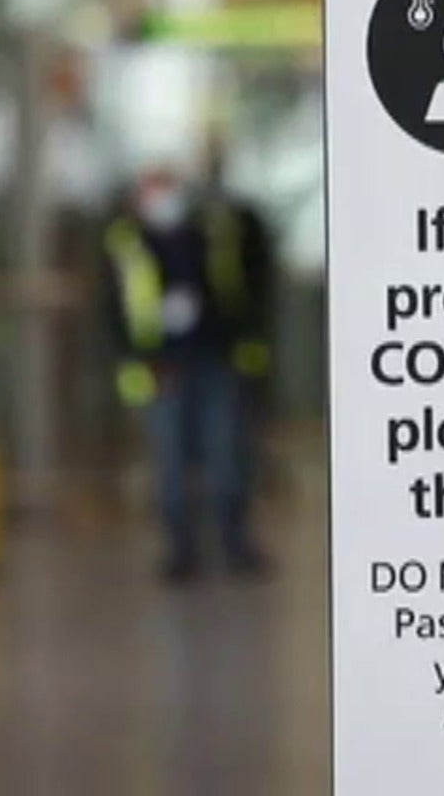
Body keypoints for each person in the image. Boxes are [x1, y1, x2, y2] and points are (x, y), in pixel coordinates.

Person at [105, 165, 272, 582]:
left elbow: (240, 286)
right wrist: (138, 359)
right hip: (163, 368)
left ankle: (234, 541)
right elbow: (114, 310)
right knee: (172, 463)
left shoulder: (210, 235)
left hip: (216, 359)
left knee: (227, 456)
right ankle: (181, 550)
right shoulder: (127, 243)